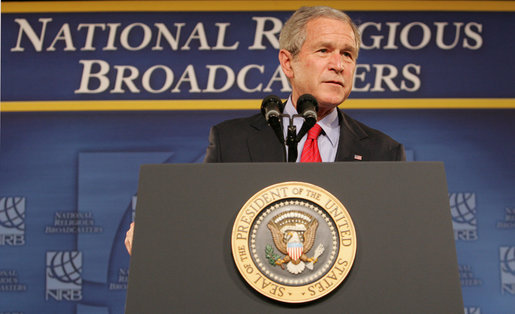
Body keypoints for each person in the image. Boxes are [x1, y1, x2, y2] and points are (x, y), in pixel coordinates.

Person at [125, 6, 405, 254]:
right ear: (287, 62)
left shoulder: (383, 151)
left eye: (348, 54)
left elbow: (395, 242)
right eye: (324, 51)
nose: (339, 65)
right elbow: (203, 219)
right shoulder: (231, 140)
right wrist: (157, 234)